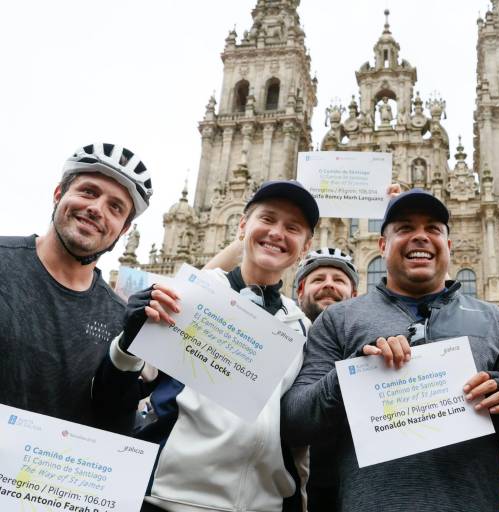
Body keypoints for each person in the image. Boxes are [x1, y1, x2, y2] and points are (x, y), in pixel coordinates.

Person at [282, 188, 499, 512]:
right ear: (382, 245)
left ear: (449, 245)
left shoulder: (493, 320)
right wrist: (352, 375)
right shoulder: (339, 319)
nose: (420, 237)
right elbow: (295, 420)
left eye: (433, 229)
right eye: (404, 228)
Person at [93, 180, 318, 512]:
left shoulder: (301, 326)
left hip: (261, 505)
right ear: (242, 227)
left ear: (305, 245)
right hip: (168, 498)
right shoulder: (190, 295)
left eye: (293, 227)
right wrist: (128, 340)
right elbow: (112, 398)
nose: (277, 233)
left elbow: (297, 440)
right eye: (267, 219)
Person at [0, 142, 151, 432]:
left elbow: (112, 425)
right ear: (59, 194)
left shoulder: (121, 319)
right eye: (88, 192)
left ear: (124, 230)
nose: (96, 209)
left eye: (115, 207)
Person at [294, 248, 359, 511]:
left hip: (350, 485)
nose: (329, 285)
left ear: (355, 295)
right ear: (300, 291)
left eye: (339, 280)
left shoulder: (369, 343)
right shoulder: (277, 333)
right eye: (319, 279)